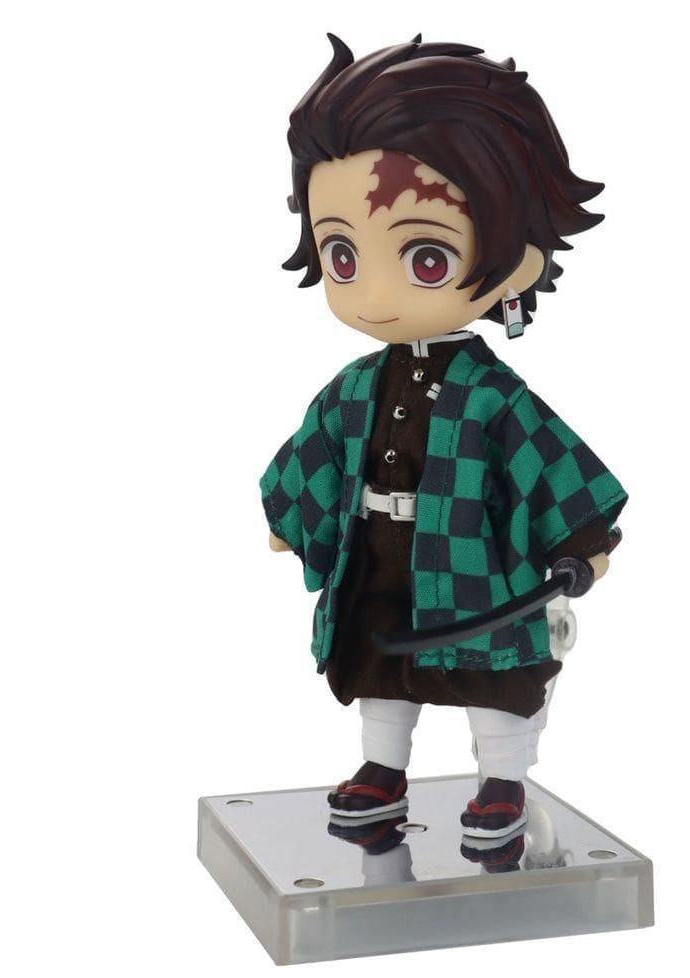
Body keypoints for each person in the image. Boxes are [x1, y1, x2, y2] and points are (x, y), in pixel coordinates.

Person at [260, 35, 627, 837]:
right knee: (381, 669)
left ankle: (502, 781)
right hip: (377, 559)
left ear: (516, 263)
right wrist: (290, 515)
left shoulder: (495, 398)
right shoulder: (355, 387)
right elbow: (316, 451)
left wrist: (582, 543)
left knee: (492, 680)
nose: (374, 292)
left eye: (425, 258)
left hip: (475, 569)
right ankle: (381, 770)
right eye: (344, 254)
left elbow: (548, 463)